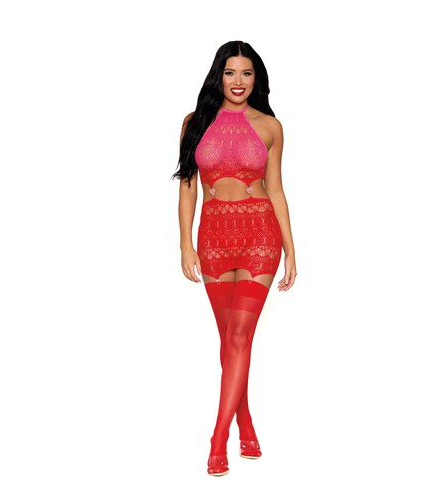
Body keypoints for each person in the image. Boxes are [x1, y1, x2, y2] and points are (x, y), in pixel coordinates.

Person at [172, 40, 297, 476]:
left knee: (240, 336)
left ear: (256, 78)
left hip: (260, 234)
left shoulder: (270, 126)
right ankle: (245, 423)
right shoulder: (194, 123)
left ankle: (218, 438)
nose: (238, 81)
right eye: (230, 73)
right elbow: (187, 187)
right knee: (229, 340)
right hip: (213, 237)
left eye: (246, 73)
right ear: (218, 76)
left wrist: (291, 250)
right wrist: (185, 243)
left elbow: (276, 189)